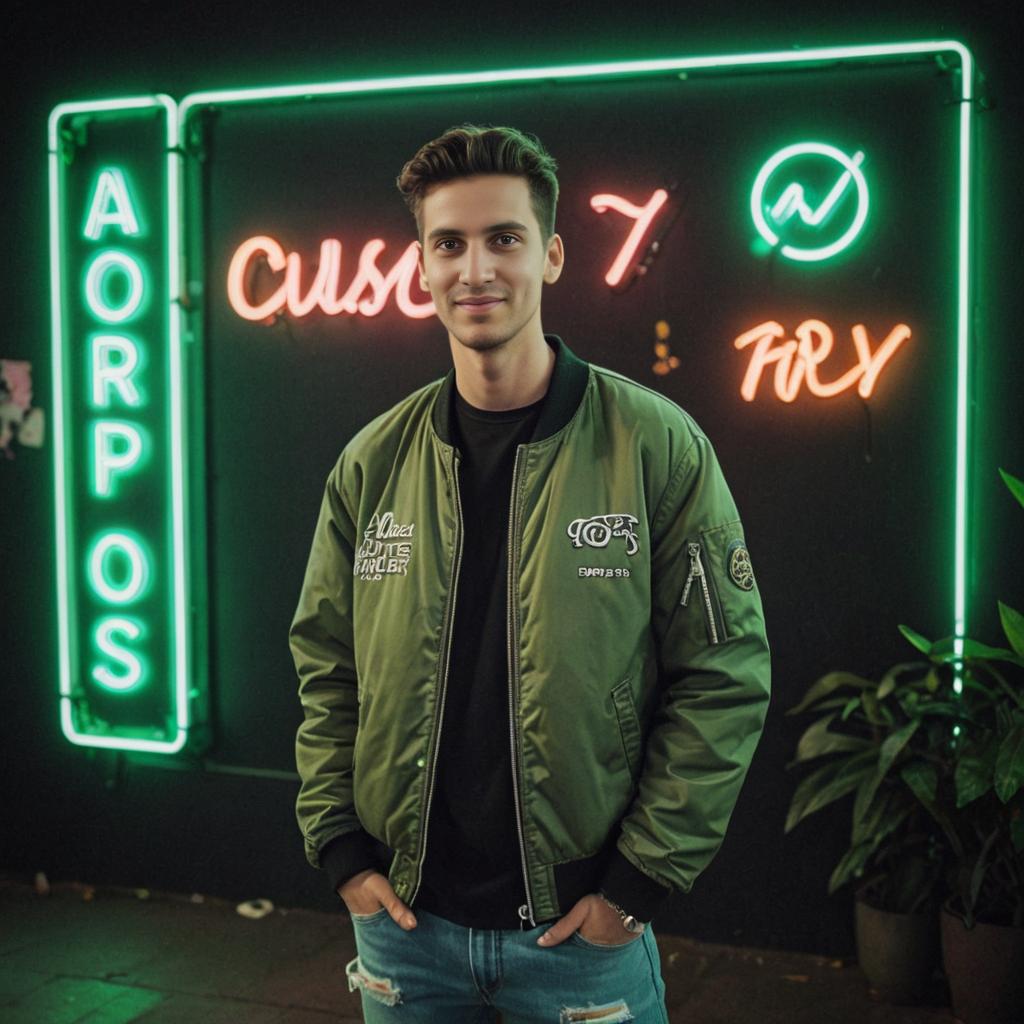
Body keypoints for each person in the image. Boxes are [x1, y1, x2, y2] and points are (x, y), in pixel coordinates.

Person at [290, 124, 771, 1023]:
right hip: (404, 937)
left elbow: (723, 675)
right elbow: (327, 667)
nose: (477, 269)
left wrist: (636, 884)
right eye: (450, 244)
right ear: (423, 267)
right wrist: (342, 852)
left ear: (550, 256)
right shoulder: (372, 462)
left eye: (504, 239)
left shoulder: (654, 447)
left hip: (579, 943)